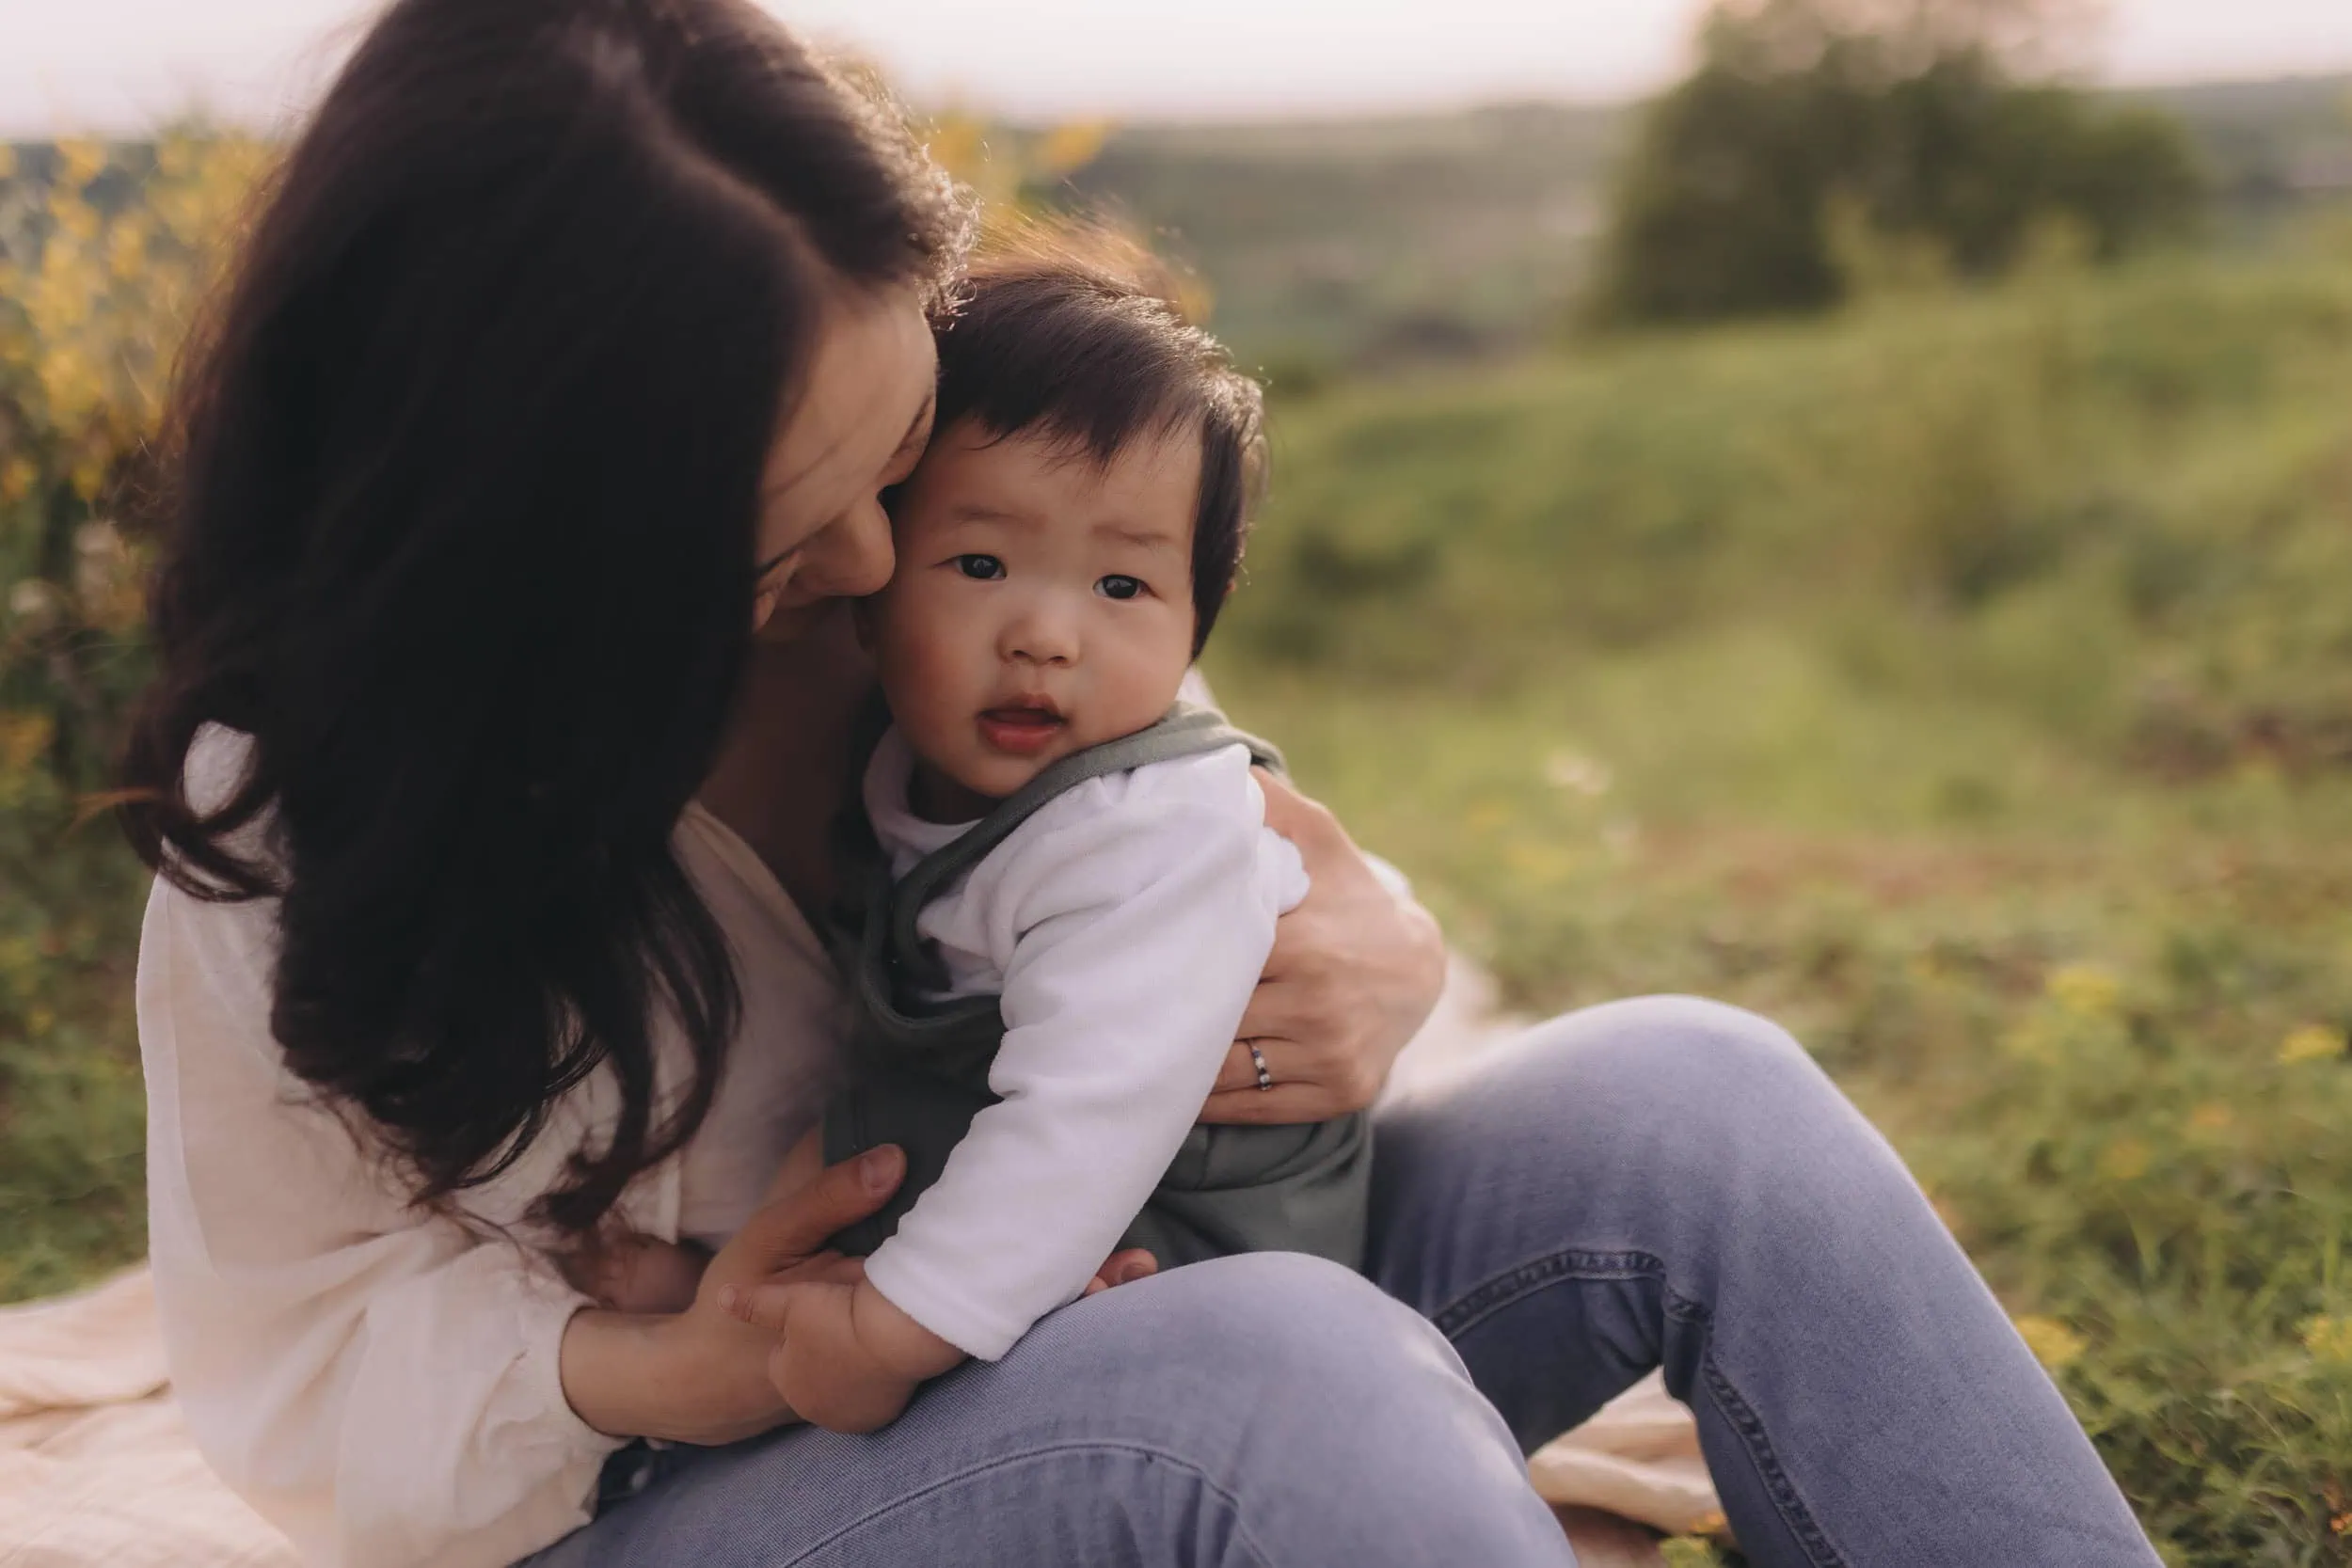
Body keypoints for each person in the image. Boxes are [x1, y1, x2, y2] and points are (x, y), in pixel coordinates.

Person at [121, 1, 2168, 1565]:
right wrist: (674, 1360)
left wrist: (1377, 947)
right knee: (1282, 1366)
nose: (864, 571)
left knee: (1693, 1095)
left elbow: (1182, 839)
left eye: (896, 461)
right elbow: (289, 1357)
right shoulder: (307, 813)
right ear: (538, 537)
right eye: (774, 528)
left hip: (1110, 1282)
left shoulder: (919, 584)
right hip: (699, 1487)